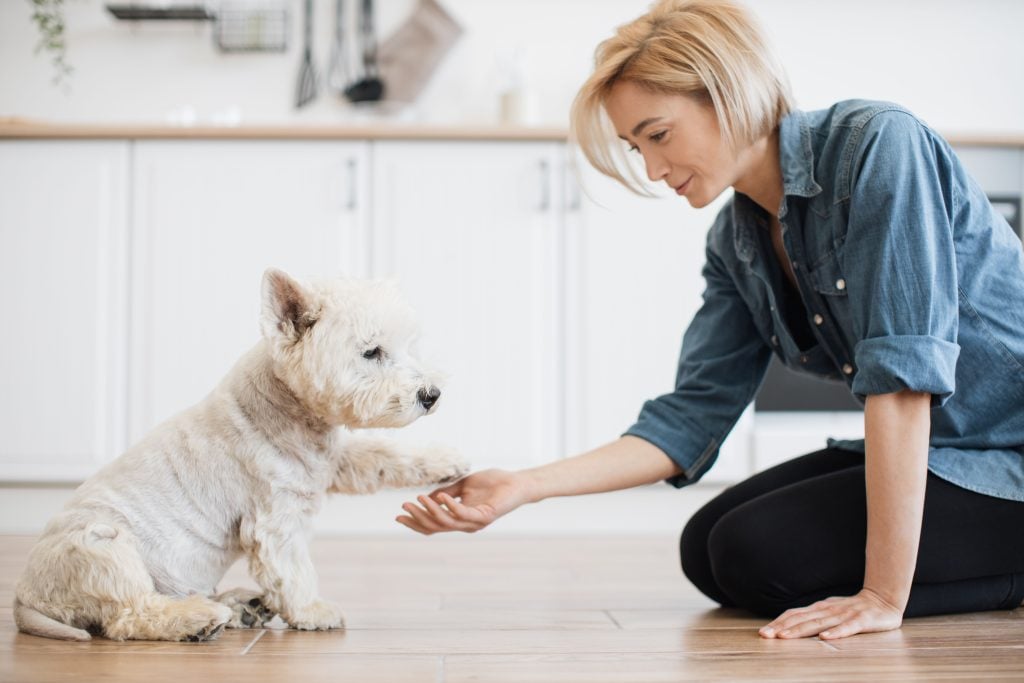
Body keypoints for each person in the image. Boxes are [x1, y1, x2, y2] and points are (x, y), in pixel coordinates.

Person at [396, 0, 1024, 641]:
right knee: (706, 546)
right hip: (948, 453)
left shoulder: (876, 147)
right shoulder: (737, 239)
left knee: (754, 552)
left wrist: (881, 596)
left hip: (1009, 455)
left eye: (658, 135)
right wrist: (524, 487)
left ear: (729, 90)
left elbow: (901, 380)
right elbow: (691, 416)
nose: (651, 169)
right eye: (634, 146)